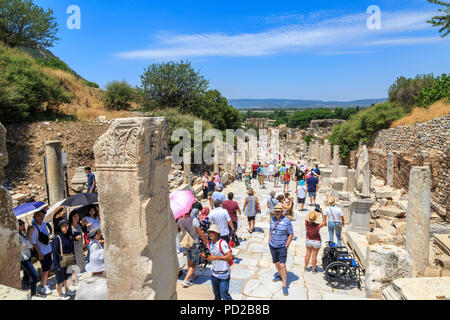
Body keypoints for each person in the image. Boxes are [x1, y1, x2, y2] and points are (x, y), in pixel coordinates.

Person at [200, 224, 233, 300]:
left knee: (224, 295)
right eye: (209, 232)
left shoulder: (222, 243)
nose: (211, 234)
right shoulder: (210, 243)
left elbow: (230, 256)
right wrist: (204, 256)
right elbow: (210, 257)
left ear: (217, 234)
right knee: (217, 295)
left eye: (213, 232)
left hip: (223, 275)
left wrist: (216, 257)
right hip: (214, 274)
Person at [177, 209, 208, 287]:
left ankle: (192, 275)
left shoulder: (180, 220)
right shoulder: (194, 220)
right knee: (195, 262)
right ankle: (186, 280)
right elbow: (200, 232)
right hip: (194, 242)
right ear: (190, 211)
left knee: (189, 259)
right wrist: (206, 241)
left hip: (186, 243)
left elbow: (178, 230)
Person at [269, 204, 294, 296]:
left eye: (278, 211)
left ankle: (284, 285)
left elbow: (291, 234)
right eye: (275, 211)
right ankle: (280, 275)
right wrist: (269, 240)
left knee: (282, 265)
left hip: (282, 247)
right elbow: (270, 230)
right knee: (276, 263)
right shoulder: (272, 220)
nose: (277, 213)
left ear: (282, 212)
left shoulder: (287, 221)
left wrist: (286, 245)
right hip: (272, 245)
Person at [52, 219, 77, 299]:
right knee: (60, 280)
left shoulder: (68, 236)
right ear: (59, 227)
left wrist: (74, 261)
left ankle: (67, 290)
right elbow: (55, 252)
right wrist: (56, 265)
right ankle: (60, 294)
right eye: (63, 225)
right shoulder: (57, 238)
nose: (66, 227)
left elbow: (72, 249)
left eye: (67, 225)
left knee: (67, 277)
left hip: (69, 260)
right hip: (60, 261)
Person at [30, 210, 52, 295]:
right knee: (45, 268)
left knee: (47, 267)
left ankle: (44, 281)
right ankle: (44, 286)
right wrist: (39, 253)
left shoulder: (43, 223)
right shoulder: (34, 228)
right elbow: (34, 242)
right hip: (42, 251)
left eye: (43, 215)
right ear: (35, 216)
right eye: (39, 216)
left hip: (48, 249)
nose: (41, 217)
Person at [18, 219, 38, 298]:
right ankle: (33, 292)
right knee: (35, 275)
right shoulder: (17, 235)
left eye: (23, 224)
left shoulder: (21, 233)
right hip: (24, 259)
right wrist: (29, 234)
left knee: (26, 275)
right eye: (21, 224)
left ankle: (26, 291)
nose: (23, 225)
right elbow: (28, 245)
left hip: (26, 257)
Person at [69, 210, 85, 277]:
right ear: (71, 217)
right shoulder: (69, 227)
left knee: (80, 262)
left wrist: (84, 225)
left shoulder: (79, 225)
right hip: (73, 248)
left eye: (77, 216)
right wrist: (75, 238)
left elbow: (85, 231)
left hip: (79, 247)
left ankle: (78, 276)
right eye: (74, 216)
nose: (76, 218)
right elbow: (68, 238)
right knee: (74, 264)